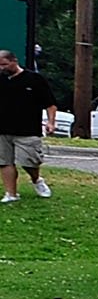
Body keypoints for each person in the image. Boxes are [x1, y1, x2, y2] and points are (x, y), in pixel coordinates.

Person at [0, 49, 56, 203]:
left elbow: (50, 104)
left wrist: (51, 122)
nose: (1, 68)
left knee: (28, 161)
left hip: (28, 128)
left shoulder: (34, 79)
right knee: (4, 162)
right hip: (3, 128)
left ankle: (36, 179)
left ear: (14, 61)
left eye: (4, 64)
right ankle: (11, 194)